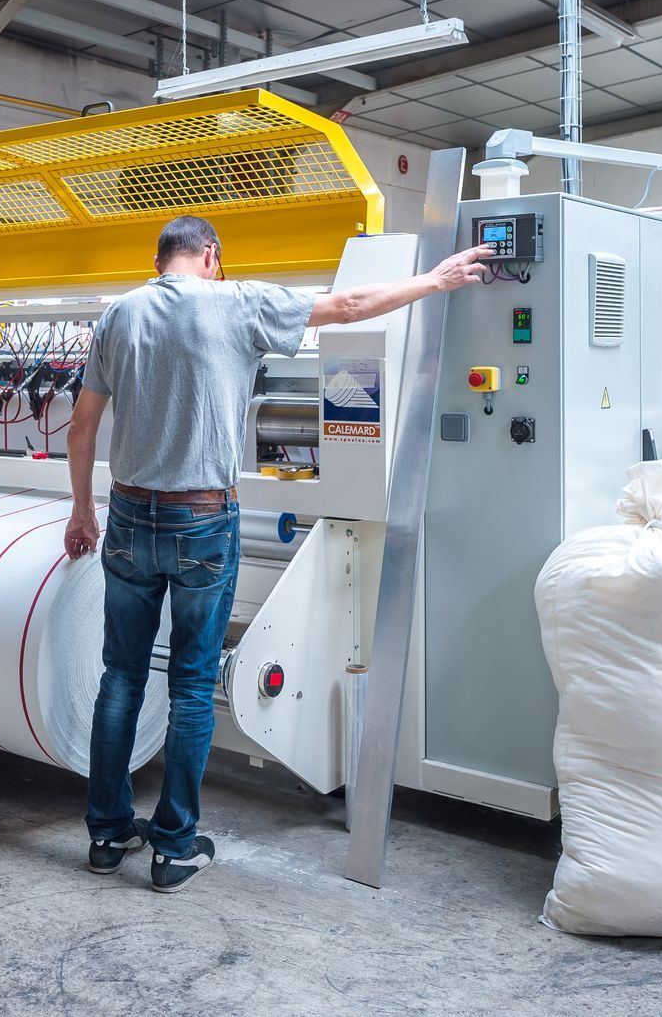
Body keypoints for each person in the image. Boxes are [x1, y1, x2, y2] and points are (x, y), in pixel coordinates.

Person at [63, 214, 495, 892]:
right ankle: (174, 846)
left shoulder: (118, 314)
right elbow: (349, 306)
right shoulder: (240, 302)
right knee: (192, 686)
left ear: (160, 258)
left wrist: (82, 509)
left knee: (121, 677)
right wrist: (436, 281)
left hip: (125, 517)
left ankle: (107, 834)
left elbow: (82, 424)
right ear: (211, 255)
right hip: (201, 519)